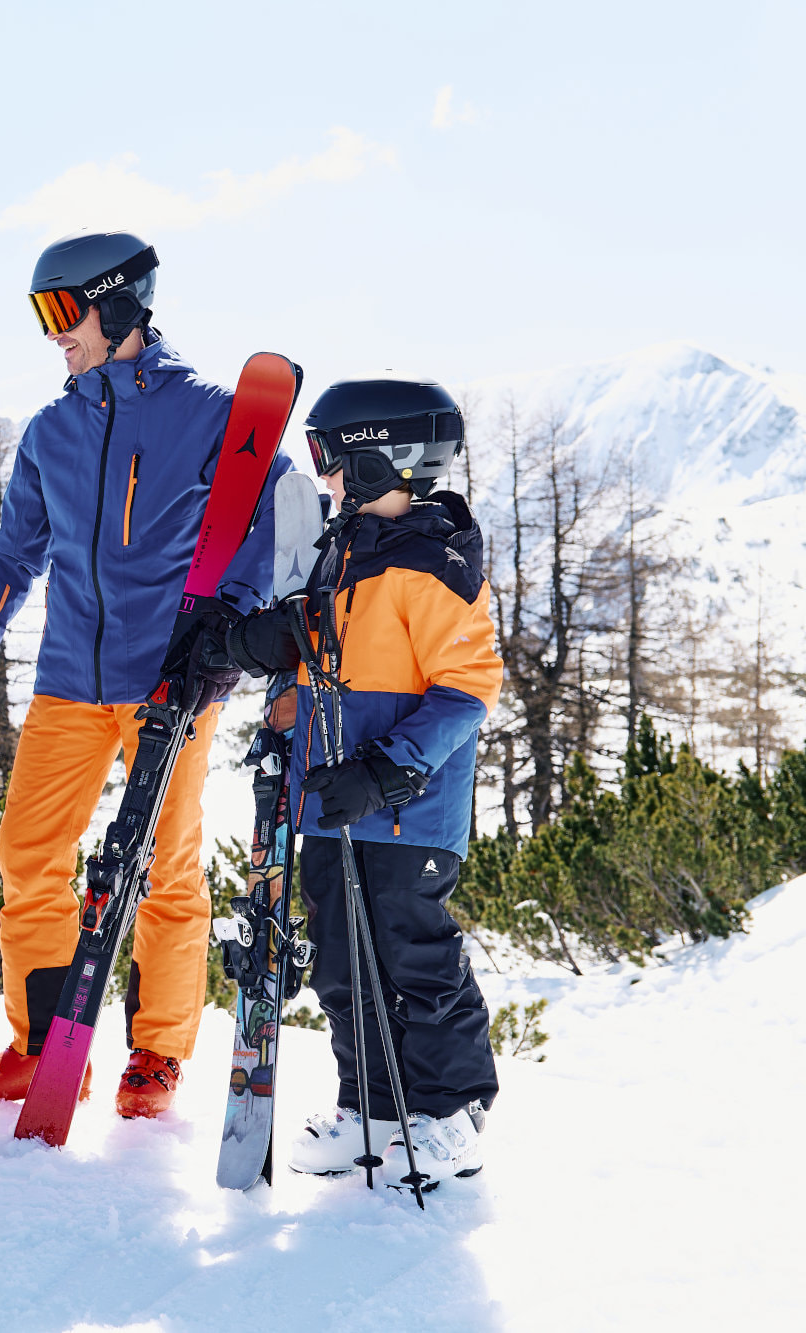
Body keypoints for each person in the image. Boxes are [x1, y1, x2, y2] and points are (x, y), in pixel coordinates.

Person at [0, 231, 294, 1119]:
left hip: (171, 680)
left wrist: (230, 622)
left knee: (168, 867)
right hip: (68, 683)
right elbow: (16, 553)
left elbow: (279, 509)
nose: (54, 334)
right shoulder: (53, 430)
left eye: (63, 311)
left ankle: (157, 1052)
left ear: (119, 305)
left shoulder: (208, 413)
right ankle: (46, 1048)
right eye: (42, 315)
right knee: (28, 854)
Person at [225, 377, 502, 1183]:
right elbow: (322, 661)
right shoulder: (339, 556)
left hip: (407, 810)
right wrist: (260, 648)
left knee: (416, 959)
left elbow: (468, 689)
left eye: (332, 458)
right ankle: (373, 1106)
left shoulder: (433, 563)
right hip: (331, 804)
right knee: (343, 965)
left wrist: (385, 772)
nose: (326, 477)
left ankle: (452, 1113)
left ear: (383, 458)